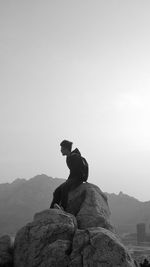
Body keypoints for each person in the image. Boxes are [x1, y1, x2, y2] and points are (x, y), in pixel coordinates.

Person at [50, 140, 85, 210]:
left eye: (62, 149)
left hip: (78, 178)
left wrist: (70, 181)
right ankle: (52, 209)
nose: (61, 151)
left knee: (64, 188)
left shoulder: (75, 157)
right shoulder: (69, 157)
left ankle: (63, 207)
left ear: (66, 149)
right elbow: (72, 171)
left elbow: (77, 171)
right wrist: (69, 180)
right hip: (72, 178)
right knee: (57, 191)